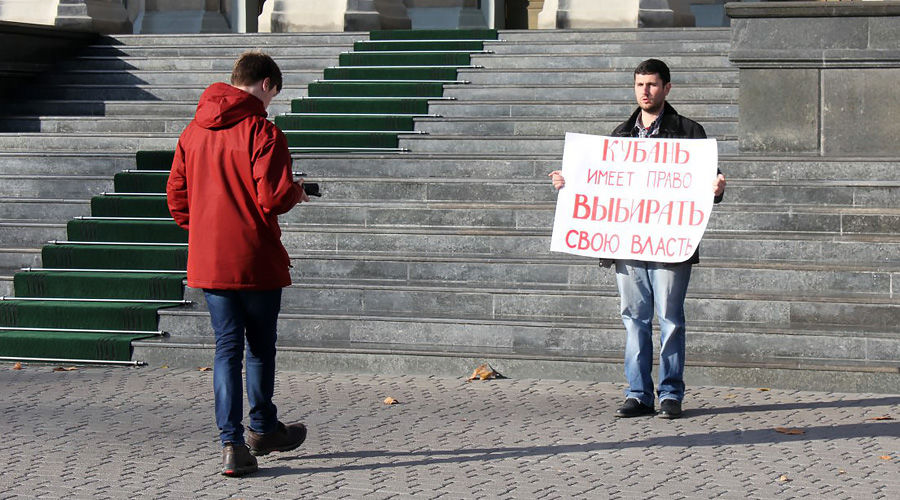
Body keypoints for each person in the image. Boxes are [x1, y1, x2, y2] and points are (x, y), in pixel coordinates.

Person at [549, 59, 727, 420]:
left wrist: (718, 188)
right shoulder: (620, 135)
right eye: (639, 85)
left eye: (652, 85)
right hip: (627, 243)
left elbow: (707, 182)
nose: (645, 92)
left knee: (670, 318)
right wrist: (568, 185)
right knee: (634, 316)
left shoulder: (689, 132)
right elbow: (600, 183)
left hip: (670, 241)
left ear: (667, 88)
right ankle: (638, 393)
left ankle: (671, 394)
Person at [166, 51, 310, 477]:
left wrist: (208, 226)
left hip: (210, 259)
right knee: (260, 348)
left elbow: (177, 196)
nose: (271, 105)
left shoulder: (192, 131)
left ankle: (231, 445)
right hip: (255, 257)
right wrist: (298, 192)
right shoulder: (262, 131)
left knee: (226, 350)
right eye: (273, 96)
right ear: (266, 84)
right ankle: (263, 428)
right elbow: (273, 197)